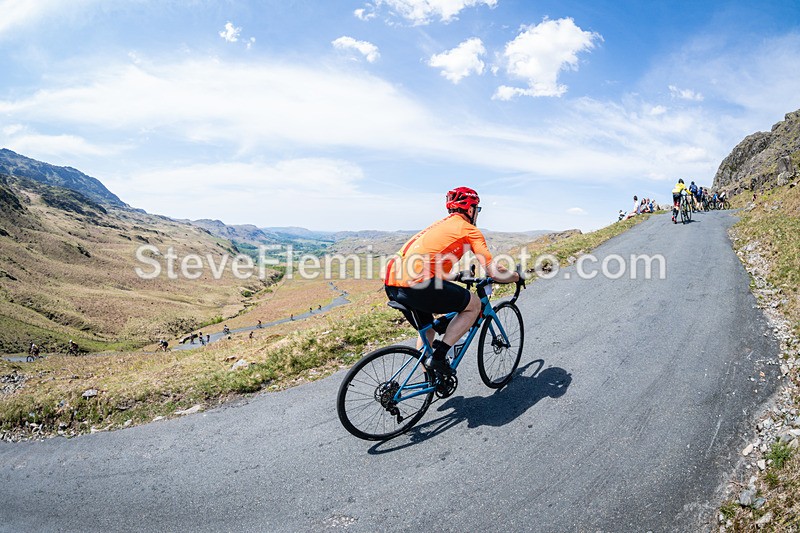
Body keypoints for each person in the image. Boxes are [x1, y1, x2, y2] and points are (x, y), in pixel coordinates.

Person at [384, 186, 520, 378]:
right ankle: (439, 358)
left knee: (427, 329)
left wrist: (456, 276)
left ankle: (430, 379)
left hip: (392, 284)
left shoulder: (437, 227)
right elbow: (494, 272)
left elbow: (425, 264)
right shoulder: (469, 230)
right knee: (473, 306)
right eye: (477, 209)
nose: (477, 214)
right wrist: (516, 277)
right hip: (417, 285)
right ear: (471, 209)